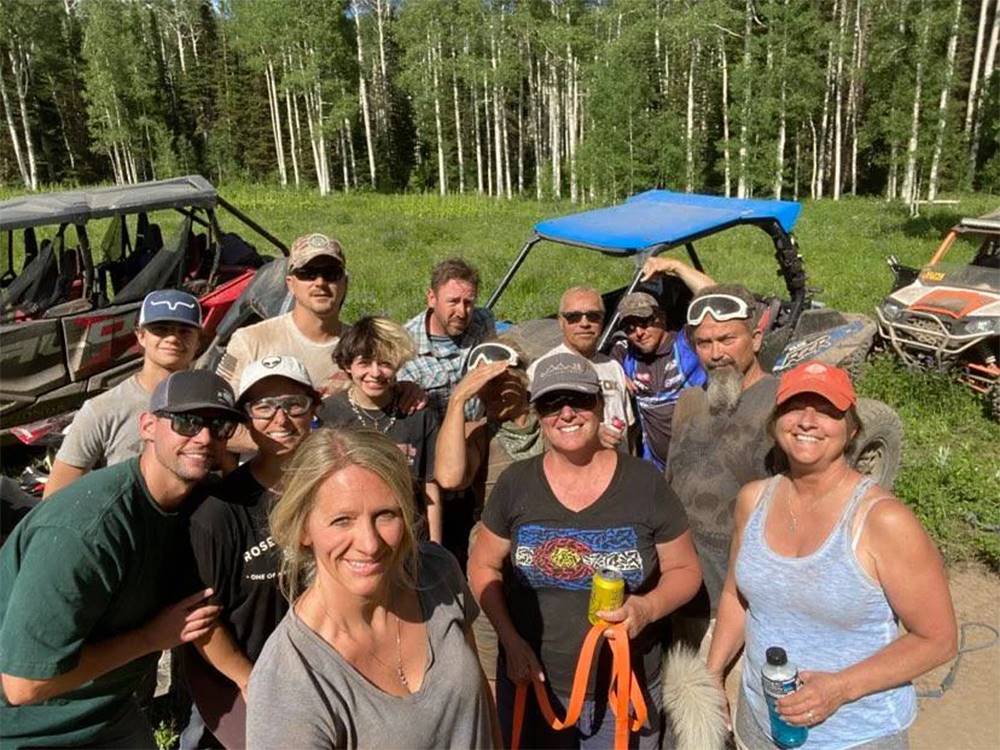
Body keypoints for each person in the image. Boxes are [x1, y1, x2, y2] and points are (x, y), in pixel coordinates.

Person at [706, 361, 957, 749]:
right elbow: (735, 597)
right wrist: (713, 673)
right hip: (759, 723)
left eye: (827, 410)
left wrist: (839, 688)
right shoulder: (753, 500)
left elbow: (937, 639)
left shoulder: (882, 521)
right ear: (776, 422)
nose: (808, 420)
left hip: (852, 735)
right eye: (795, 406)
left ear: (852, 428)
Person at [468, 352, 702, 747]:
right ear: (537, 413)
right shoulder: (516, 483)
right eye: (551, 403)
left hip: (623, 689)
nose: (566, 413)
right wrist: (509, 639)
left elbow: (685, 571)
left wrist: (645, 610)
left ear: (599, 403)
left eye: (578, 400)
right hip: (533, 683)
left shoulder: (645, 482)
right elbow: (483, 565)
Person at [0, 370, 242, 748]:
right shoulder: (86, 531)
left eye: (220, 425)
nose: (204, 437)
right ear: (147, 425)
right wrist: (150, 638)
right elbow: (23, 685)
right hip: (28, 729)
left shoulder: (197, 505)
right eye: (187, 421)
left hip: (106, 711)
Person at [245, 428, 497, 749]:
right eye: (342, 520)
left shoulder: (436, 573)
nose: (369, 543)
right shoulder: (291, 677)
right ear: (304, 529)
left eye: (385, 515)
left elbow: (482, 716)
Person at [182, 356, 319, 749]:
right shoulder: (220, 512)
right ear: (246, 418)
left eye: (294, 403)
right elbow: (201, 619)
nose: (281, 418)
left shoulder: (336, 488)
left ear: (315, 408)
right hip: (240, 680)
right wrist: (250, 679)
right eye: (263, 406)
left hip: (324, 675)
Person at [665, 284, 778, 639]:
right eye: (704, 343)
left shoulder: (783, 404)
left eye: (727, 339)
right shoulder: (688, 402)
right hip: (681, 596)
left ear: (756, 338)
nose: (716, 354)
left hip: (742, 606)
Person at [434, 338, 543, 684]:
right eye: (486, 386)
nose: (495, 392)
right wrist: (457, 401)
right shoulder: (479, 434)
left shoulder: (553, 423)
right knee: (497, 670)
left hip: (549, 564)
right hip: (495, 572)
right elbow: (450, 477)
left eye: (502, 380)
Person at [44, 289, 204, 497]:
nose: (173, 338)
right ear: (141, 336)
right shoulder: (102, 409)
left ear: (199, 341)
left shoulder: (210, 404)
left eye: (184, 331)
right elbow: (55, 497)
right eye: (161, 329)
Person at [318, 317, 442, 543]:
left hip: (409, 538)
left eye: (385, 363)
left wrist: (436, 548)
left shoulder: (418, 414)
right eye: (364, 363)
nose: (375, 373)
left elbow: (429, 487)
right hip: (352, 538)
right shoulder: (328, 414)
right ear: (347, 365)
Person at [217, 233, 348, 394]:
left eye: (331, 274)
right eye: (307, 274)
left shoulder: (364, 344)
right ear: (291, 284)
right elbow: (222, 403)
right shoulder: (250, 341)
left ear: (345, 282)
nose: (320, 283)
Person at [528, 286, 634, 450]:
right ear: (561, 321)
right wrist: (588, 434)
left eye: (593, 316)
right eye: (573, 317)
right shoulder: (541, 370)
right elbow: (535, 434)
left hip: (620, 467)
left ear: (602, 320)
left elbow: (629, 428)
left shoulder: (613, 367)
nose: (584, 323)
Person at [609, 291, 706, 471]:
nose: (638, 333)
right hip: (657, 467)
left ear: (661, 318)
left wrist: (676, 267)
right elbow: (605, 357)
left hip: (701, 462)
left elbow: (713, 306)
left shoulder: (686, 342)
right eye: (630, 328)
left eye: (644, 322)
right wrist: (615, 372)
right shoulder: (625, 353)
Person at [398, 257, 496, 420]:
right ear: (431, 298)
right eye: (453, 301)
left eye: (468, 303)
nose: (462, 312)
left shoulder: (483, 321)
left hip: (482, 426)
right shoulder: (404, 347)